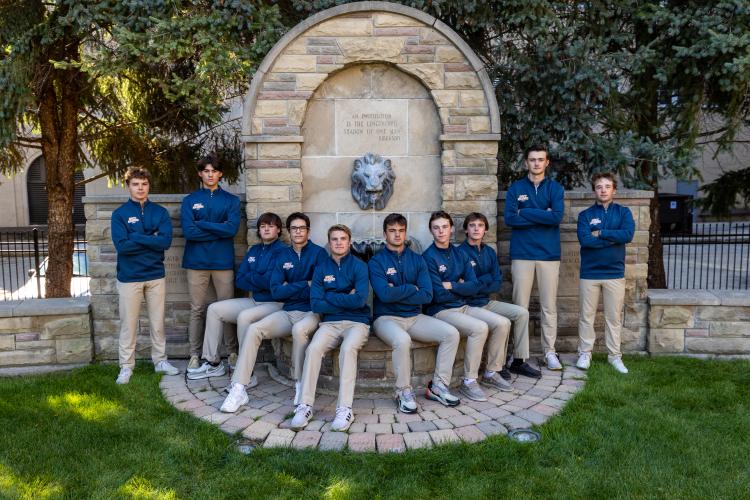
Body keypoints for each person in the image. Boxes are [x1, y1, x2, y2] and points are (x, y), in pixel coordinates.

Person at [220, 213, 326, 413]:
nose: (298, 231)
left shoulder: (319, 254)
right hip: (287, 310)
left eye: (301, 228)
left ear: (308, 231)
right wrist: (305, 284)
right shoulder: (283, 255)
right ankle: (240, 387)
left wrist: (292, 286)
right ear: (289, 231)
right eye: (294, 228)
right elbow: (276, 290)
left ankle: (299, 384)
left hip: (310, 311)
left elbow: (319, 288)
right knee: (254, 329)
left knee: (300, 331)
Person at [370, 213, 461, 413]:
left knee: (451, 334)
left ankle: (438, 386)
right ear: (385, 234)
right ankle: (403, 391)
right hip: (386, 318)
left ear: (405, 233)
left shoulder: (418, 260)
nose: (397, 235)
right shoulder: (376, 261)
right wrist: (412, 288)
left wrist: (398, 290)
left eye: (401, 231)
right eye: (392, 231)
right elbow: (384, 295)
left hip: (414, 317)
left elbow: (427, 296)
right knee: (402, 340)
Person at [422, 211, 511, 403]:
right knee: (479, 328)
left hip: (463, 306)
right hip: (441, 310)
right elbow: (437, 294)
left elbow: (474, 286)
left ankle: (491, 372)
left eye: (445, 227)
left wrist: (453, 284)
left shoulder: (459, 253)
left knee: (502, 323)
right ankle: (469, 380)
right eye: (436, 228)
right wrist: (462, 286)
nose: (441, 231)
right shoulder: (428, 257)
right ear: (431, 231)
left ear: (452, 229)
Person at [187, 213, 286, 380]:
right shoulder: (254, 250)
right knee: (214, 309)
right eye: (263, 226)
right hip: (255, 300)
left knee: (244, 316)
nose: (266, 229)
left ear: (278, 230)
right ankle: (213, 363)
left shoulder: (283, 251)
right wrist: (260, 279)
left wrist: (254, 278)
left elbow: (273, 281)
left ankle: (245, 370)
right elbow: (240, 279)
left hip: (275, 303)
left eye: (270, 226)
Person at [290, 225, 370, 432]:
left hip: (357, 322)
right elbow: (316, 304)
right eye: (334, 239)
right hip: (330, 323)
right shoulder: (321, 268)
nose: (339, 242)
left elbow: (360, 300)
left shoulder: (360, 266)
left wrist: (330, 296)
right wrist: (346, 297)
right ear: (329, 243)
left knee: (347, 349)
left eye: (343, 238)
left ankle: (345, 409)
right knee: (313, 349)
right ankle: (305, 405)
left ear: (349, 242)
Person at [111, 167, 178, 384]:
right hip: (129, 277)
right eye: (136, 184)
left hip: (155, 275)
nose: (140, 188)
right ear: (128, 186)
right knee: (128, 324)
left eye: (144, 184)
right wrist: (150, 238)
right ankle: (126, 367)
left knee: (157, 322)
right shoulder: (119, 214)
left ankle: (160, 361)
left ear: (149, 185)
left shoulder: (159, 212)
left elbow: (165, 242)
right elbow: (122, 246)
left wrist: (136, 237)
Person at [459, 212, 541, 380]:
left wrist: (476, 282)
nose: (476, 229)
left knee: (522, 313)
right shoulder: (460, 253)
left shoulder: (489, 251)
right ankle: (498, 365)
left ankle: (518, 360)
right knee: (502, 323)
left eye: (480, 225)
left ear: (485, 230)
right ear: (466, 230)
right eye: (472, 225)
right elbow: (465, 287)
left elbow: (496, 282)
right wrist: (482, 281)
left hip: (486, 301)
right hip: (470, 304)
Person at [504, 144, 565, 370]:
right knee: (520, 307)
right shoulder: (516, 188)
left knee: (549, 306)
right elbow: (510, 219)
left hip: (549, 255)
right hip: (522, 254)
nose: (537, 163)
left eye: (541, 159)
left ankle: (549, 352)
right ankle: (519, 355)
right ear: (526, 163)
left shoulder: (555, 189)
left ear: (547, 163)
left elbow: (556, 217)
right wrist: (542, 214)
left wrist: (525, 212)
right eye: (532, 160)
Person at [182, 155, 241, 371]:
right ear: (200, 173)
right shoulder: (190, 200)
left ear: (220, 174)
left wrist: (203, 224)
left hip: (222, 262)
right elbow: (189, 232)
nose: (210, 175)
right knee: (198, 309)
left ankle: (232, 352)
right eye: (206, 171)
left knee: (227, 308)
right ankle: (195, 354)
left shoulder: (231, 201)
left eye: (214, 171)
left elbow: (231, 230)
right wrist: (218, 229)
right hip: (196, 262)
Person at [576, 172, 634, 374]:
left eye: (607, 186)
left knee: (613, 318)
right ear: (594, 190)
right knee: (586, 316)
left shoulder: (623, 212)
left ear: (614, 190)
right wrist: (613, 239)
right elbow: (585, 241)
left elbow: (627, 235)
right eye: (599, 186)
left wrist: (601, 233)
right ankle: (585, 353)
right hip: (590, 274)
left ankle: (615, 356)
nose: (603, 190)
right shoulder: (585, 215)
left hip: (614, 273)